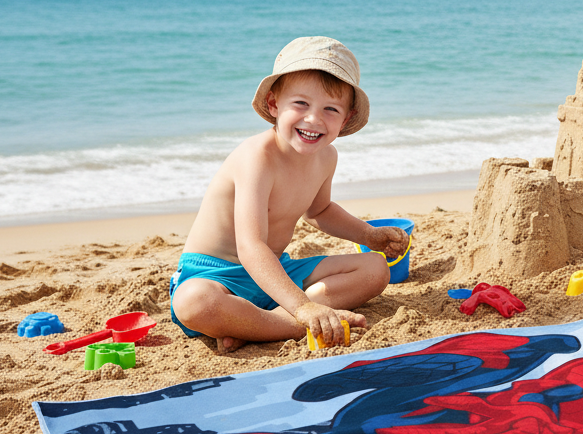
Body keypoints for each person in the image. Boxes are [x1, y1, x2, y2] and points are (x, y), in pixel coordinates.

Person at [169, 36, 406, 353]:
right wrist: (305, 307)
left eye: (330, 109)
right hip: (217, 274)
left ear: (346, 118)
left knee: (375, 270)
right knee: (194, 303)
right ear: (273, 104)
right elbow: (250, 246)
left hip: (275, 272)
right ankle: (288, 323)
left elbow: (319, 212)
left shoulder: (326, 158)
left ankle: (257, 326)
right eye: (301, 104)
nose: (313, 119)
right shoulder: (257, 157)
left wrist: (369, 234)